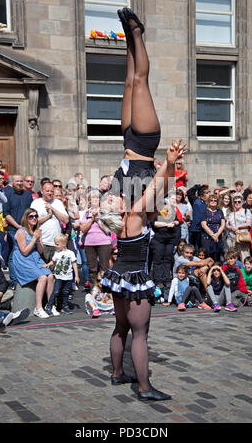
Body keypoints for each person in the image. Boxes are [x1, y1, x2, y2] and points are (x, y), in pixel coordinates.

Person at [101, 132, 186, 402]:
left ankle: (117, 373)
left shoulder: (123, 220)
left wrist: (169, 170)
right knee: (140, 334)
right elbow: (154, 189)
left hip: (118, 276)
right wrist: (167, 164)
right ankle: (145, 388)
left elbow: (158, 194)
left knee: (120, 327)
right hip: (135, 277)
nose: (113, 197)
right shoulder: (134, 215)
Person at [109, 8, 161, 199]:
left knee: (130, 82)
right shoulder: (142, 196)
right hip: (144, 143)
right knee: (140, 80)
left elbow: (111, 196)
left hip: (129, 140)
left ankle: (129, 37)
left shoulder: (121, 188)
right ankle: (137, 33)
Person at [12, 208, 55, 318]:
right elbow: (25, 252)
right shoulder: (21, 232)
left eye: (36, 216)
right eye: (31, 216)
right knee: (42, 278)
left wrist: (39, 238)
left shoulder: (37, 231)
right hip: (23, 260)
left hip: (35, 257)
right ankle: (38, 308)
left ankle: (50, 306)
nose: (34, 218)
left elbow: (40, 251)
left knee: (50, 276)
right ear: (26, 218)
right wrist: (34, 239)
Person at [3, 175, 33, 288]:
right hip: (13, 230)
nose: (19, 183)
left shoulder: (28, 194)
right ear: (12, 182)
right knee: (13, 255)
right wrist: (18, 226)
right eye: (17, 181)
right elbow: (6, 214)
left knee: (26, 254)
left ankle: (25, 278)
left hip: (27, 229)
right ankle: (14, 281)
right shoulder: (7, 194)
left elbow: (31, 211)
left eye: (21, 181)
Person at [150, 192, 182, 294]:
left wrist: (174, 223)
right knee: (158, 260)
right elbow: (154, 223)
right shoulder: (156, 210)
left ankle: (167, 279)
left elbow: (177, 221)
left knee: (168, 259)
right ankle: (158, 280)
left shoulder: (170, 209)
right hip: (158, 239)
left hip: (170, 239)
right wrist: (166, 224)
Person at [80, 190, 112, 290]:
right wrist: (91, 219)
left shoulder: (105, 211)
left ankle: (106, 289)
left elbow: (108, 229)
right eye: (92, 198)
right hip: (89, 243)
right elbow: (83, 229)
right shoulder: (86, 213)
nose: (94, 200)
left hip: (104, 242)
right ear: (89, 200)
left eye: (97, 198)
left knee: (104, 267)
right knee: (92, 268)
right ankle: (93, 289)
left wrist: (97, 218)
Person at [30, 181, 69, 263]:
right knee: (43, 270)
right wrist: (48, 215)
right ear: (42, 191)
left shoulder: (58, 203)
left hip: (57, 243)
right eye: (47, 191)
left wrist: (53, 210)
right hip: (42, 242)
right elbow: (33, 221)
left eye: (52, 191)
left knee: (56, 271)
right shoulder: (36, 203)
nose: (50, 193)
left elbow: (66, 220)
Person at [43, 233, 80, 315]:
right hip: (59, 276)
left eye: (57, 244)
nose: (55, 246)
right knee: (56, 292)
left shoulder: (70, 253)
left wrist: (76, 276)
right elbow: (53, 261)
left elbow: (74, 264)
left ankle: (65, 306)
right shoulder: (57, 253)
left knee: (66, 292)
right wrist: (48, 264)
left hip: (68, 277)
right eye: (55, 244)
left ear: (64, 244)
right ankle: (49, 306)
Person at [225, 193, 252, 262]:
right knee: (232, 259)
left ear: (242, 202)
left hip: (242, 239)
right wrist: (232, 228)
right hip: (232, 239)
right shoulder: (231, 213)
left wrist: (237, 227)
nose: (237, 203)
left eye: (239, 201)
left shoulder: (246, 211)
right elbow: (227, 225)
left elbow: (248, 224)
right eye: (235, 202)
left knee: (245, 258)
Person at [201, 194, 225, 262]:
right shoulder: (205, 211)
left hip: (218, 236)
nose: (213, 201)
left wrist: (217, 234)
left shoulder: (220, 211)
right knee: (208, 255)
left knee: (217, 255)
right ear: (208, 201)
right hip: (207, 237)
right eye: (211, 200)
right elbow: (203, 225)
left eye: (215, 200)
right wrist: (212, 235)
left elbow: (223, 224)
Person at [189, 185, 210, 253]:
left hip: (202, 230)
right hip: (195, 230)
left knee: (202, 250)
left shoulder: (205, 203)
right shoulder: (196, 201)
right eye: (207, 193)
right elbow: (189, 192)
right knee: (195, 250)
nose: (209, 194)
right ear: (202, 195)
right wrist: (199, 185)